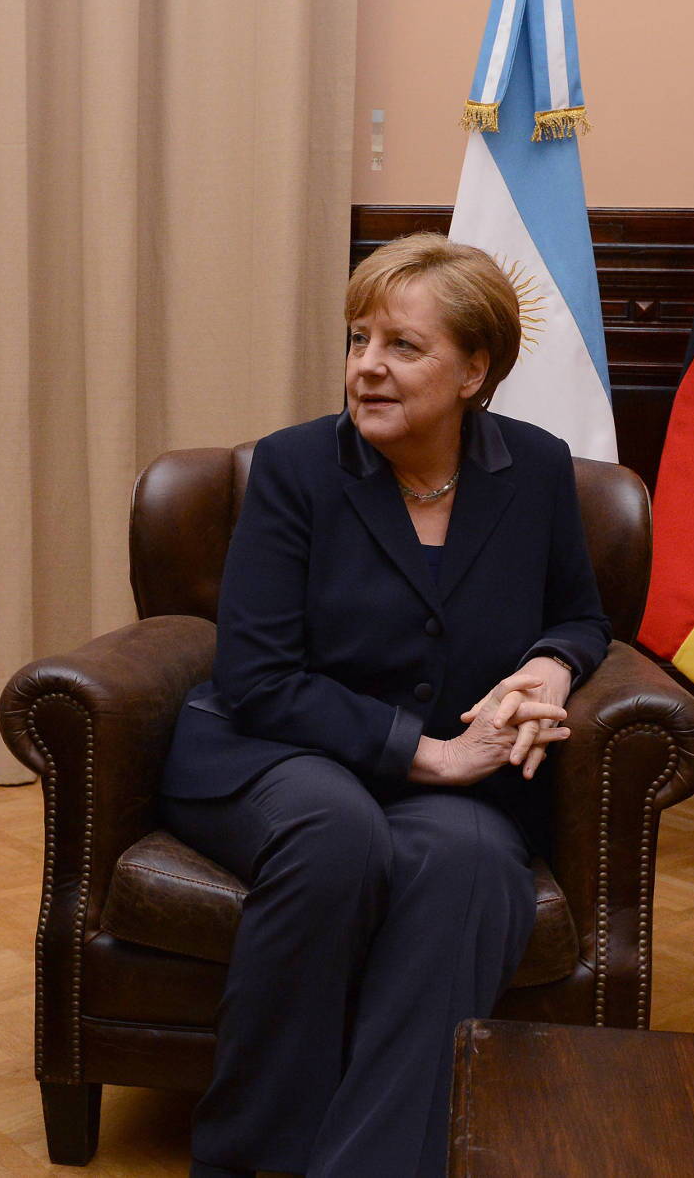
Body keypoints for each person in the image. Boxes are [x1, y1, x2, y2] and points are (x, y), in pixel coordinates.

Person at [159, 233, 611, 1178]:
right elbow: (257, 676)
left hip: (448, 784)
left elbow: (579, 614)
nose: (367, 366)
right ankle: (253, 1161)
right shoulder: (295, 469)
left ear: (474, 370)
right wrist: (436, 754)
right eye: (359, 339)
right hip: (272, 752)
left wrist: (554, 666)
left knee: (475, 862)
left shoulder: (533, 470)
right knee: (338, 833)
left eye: (403, 346)